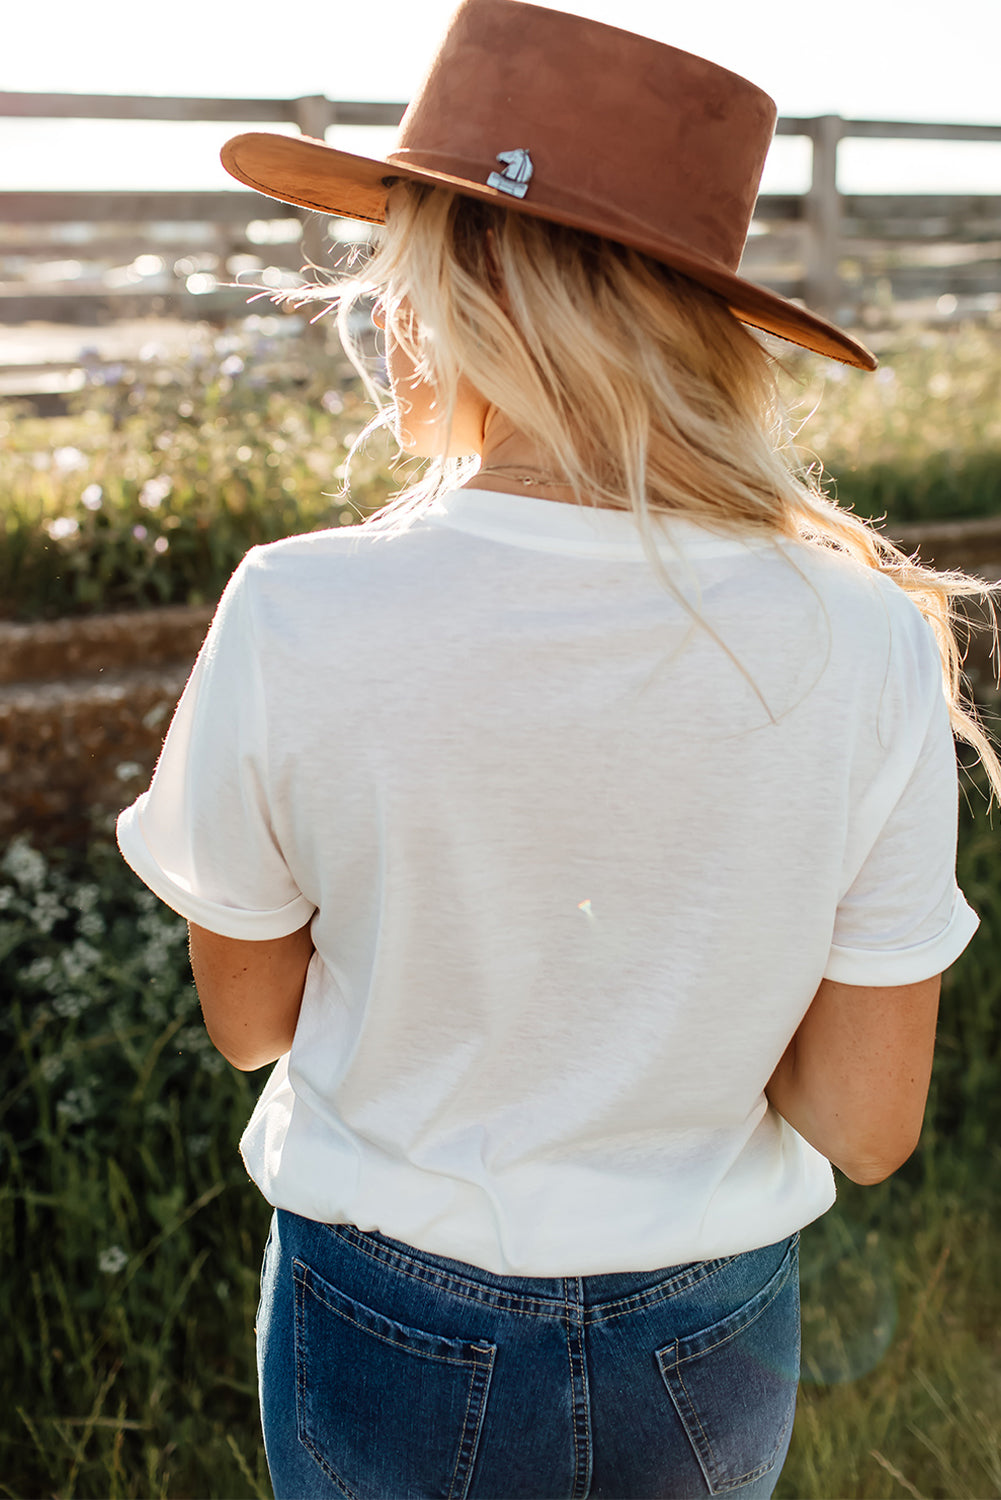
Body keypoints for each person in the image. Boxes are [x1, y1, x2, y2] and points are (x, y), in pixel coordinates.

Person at [116, 2, 998, 1495]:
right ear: (702, 328)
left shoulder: (300, 604)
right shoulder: (863, 633)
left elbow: (252, 1021)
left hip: (382, 1299)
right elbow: (862, 1124)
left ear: (449, 297)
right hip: (711, 1325)